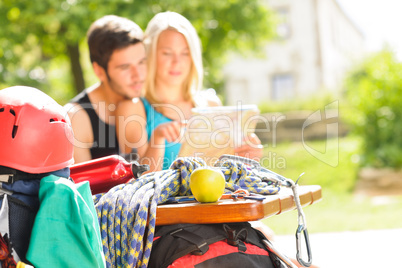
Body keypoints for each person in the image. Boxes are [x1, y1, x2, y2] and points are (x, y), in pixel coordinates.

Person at [116, 11, 263, 172]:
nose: (177, 62)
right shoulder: (133, 108)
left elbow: (226, 175)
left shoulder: (210, 104)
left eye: (185, 53)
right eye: (167, 53)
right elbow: (137, 183)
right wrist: (157, 139)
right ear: (150, 54)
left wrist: (248, 159)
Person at [65, 15, 146, 164]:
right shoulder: (76, 118)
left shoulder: (147, 100)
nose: (138, 75)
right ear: (99, 71)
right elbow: (81, 185)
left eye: (142, 62)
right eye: (125, 67)